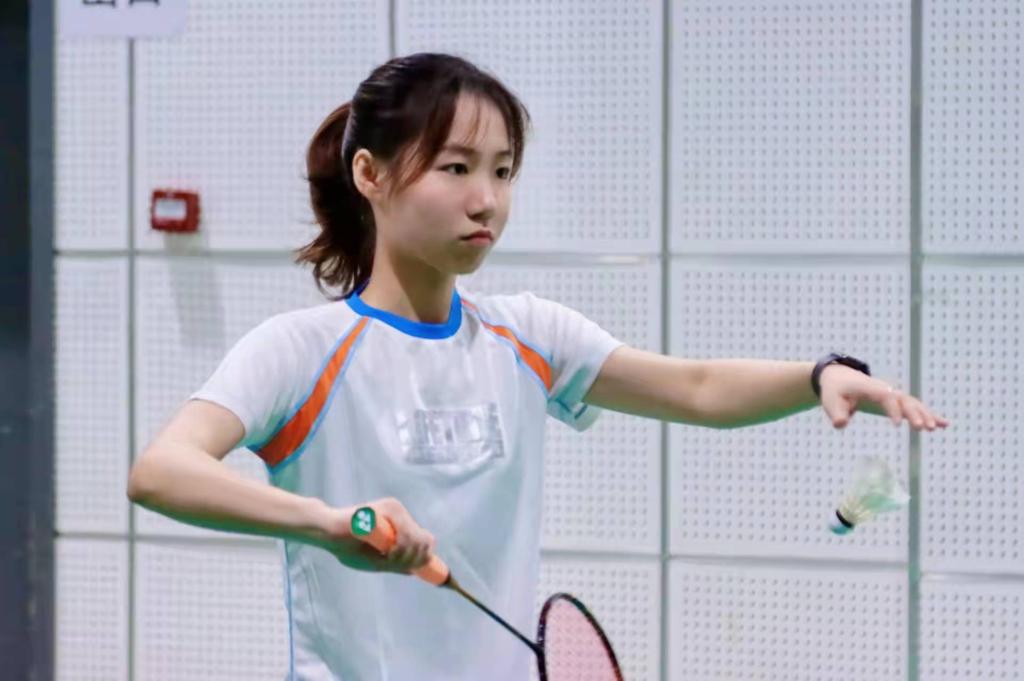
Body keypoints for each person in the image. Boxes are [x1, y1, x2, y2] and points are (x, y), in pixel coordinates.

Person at [126, 52, 949, 680]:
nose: (486, 199)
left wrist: (817, 376)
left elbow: (695, 388)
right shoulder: (300, 350)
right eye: (456, 168)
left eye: (502, 171)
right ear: (369, 175)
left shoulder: (525, 335)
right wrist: (327, 523)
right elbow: (160, 471)